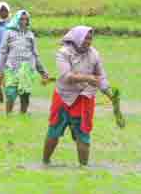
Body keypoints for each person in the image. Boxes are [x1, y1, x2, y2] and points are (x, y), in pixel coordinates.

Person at [44, 26, 112, 167]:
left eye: (90, 38)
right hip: (63, 97)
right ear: (77, 38)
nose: (88, 41)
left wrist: (110, 94)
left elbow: (101, 76)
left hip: (84, 98)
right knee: (54, 131)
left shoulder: (94, 54)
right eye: (86, 38)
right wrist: (88, 78)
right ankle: (45, 162)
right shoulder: (63, 53)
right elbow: (67, 77)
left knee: (83, 135)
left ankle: (83, 168)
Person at [0, 9, 50, 115]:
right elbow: (3, 52)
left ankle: (23, 114)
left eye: (26, 20)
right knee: (10, 93)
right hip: (12, 67)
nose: (23, 22)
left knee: (25, 94)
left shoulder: (30, 35)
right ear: (16, 20)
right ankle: (8, 115)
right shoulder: (9, 33)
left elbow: (35, 54)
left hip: (27, 68)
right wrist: (0, 70)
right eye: (21, 19)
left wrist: (43, 72)